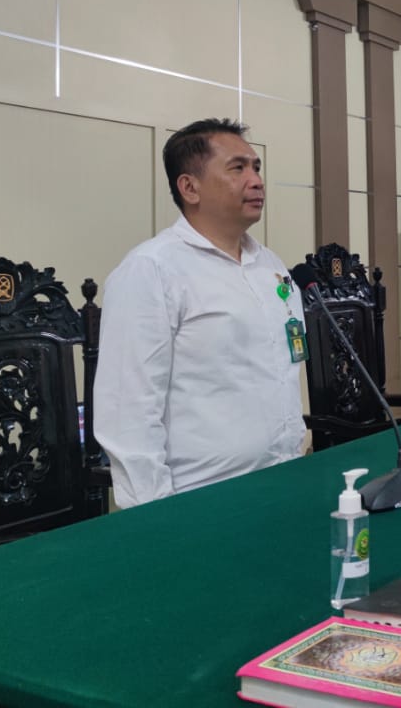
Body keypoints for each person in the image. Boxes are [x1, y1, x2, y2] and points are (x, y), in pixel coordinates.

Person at [94, 118, 307, 509]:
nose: (256, 181)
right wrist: (157, 517)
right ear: (189, 187)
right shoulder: (152, 270)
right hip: (201, 499)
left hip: (282, 480)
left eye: (256, 167)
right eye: (237, 168)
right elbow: (128, 411)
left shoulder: (270, 265)